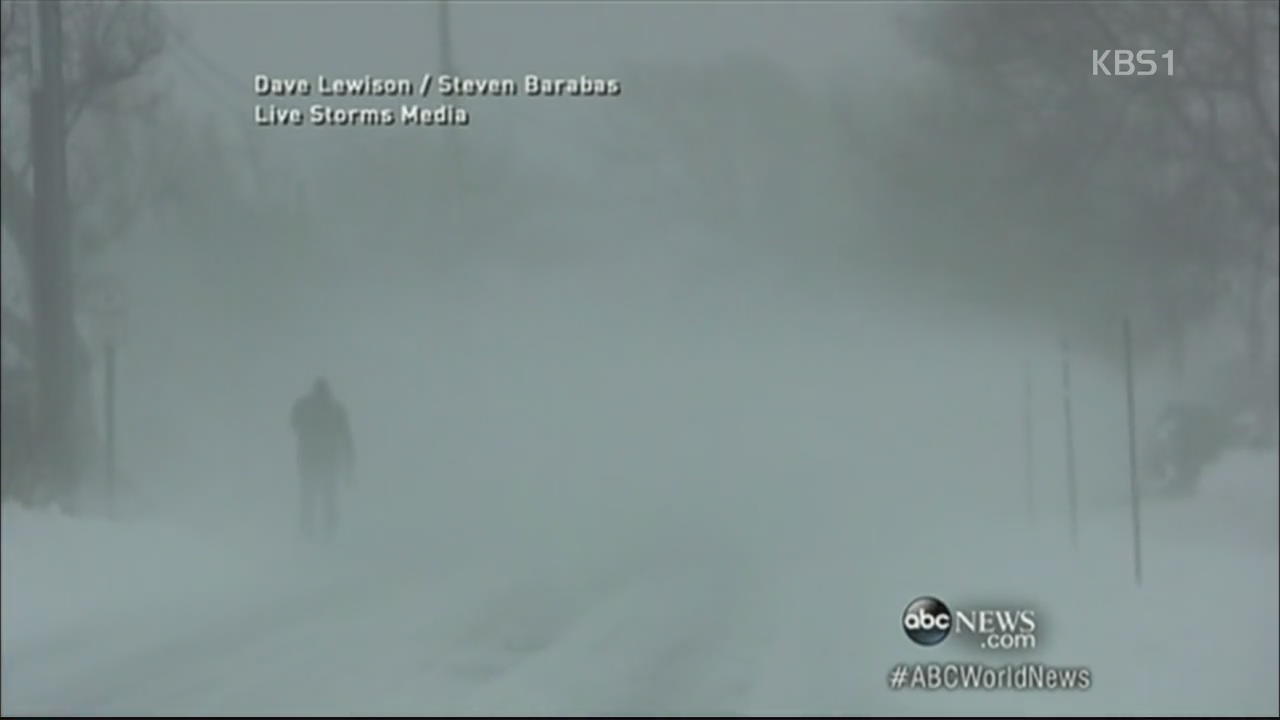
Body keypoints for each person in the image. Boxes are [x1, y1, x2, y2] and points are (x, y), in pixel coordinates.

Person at [291, 377, 354, 541]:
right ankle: (328, 530)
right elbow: (346, 438)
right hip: (328, 459)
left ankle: (308, 529)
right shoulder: (336, 409)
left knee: (309, 494)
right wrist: (349, 464)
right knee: (328, 494)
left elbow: (293, 424)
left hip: (308, 458)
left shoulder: (304, 406)